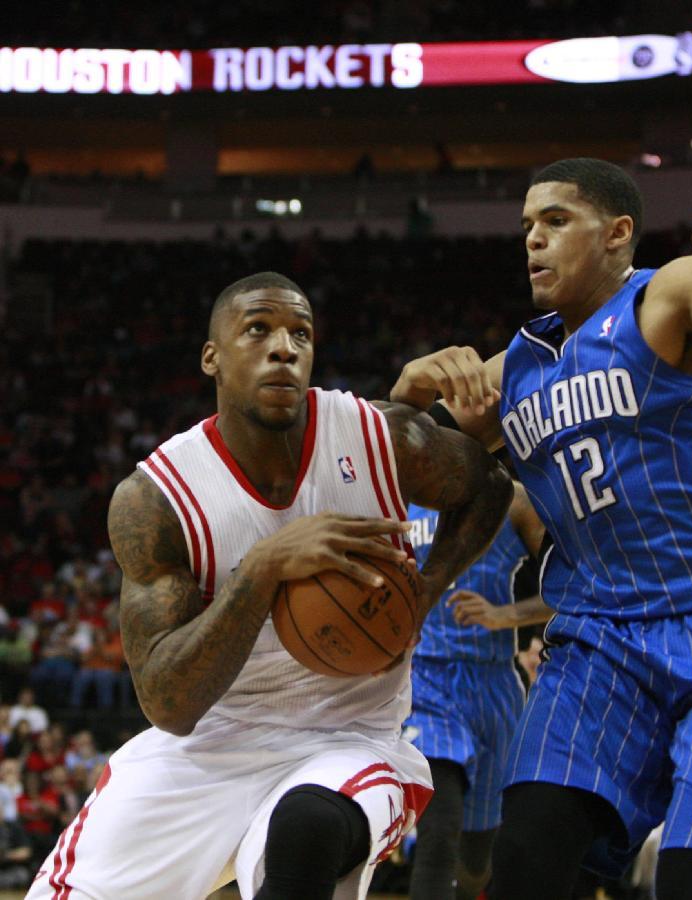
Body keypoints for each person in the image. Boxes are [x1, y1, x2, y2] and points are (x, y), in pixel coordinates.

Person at [390, 157, 692, 899]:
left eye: (555, 221)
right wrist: (402, 397)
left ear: (617, 233)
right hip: (599, 642)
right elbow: (404, 476)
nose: (532, 240)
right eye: (526, 225)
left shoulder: (668, 296)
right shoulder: (513, 370)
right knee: (523, 860)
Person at [26, 271, 512, 900]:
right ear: (212, 358)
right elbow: (168, 705)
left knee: (304, 829)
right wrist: (261, 570)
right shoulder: (158, 499)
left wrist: (426, 588)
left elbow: (488, 486)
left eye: (300, 333)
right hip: (209, 747)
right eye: (258, 329)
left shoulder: (377, 438)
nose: (284, 346)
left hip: (350, 741)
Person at [404, 482, 551, 900]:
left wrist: (505, 615)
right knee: (439, 832)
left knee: (475, 859)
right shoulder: (398, 492)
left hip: (494, 685)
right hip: (424, 679)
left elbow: (578, 587)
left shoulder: (515, 499)